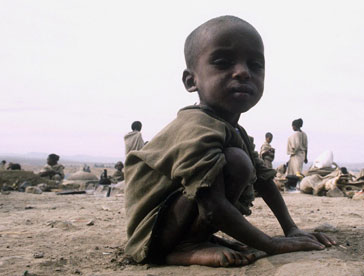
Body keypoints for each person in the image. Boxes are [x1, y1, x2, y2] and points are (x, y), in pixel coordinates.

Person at [124, 16, 335, 268]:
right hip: (151, 236)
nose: (243, 72)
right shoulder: (196, 127)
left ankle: (194, 240)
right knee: (237, 161)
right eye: (223, 63)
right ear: (192, 81)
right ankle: (185, 246)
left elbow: (265, 180)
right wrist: (271, 244)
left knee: (240, 160)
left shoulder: (231, 128)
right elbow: (211, 205)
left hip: (174, 223)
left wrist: (291, 229)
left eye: (255, 65)